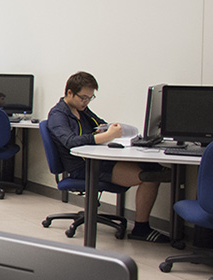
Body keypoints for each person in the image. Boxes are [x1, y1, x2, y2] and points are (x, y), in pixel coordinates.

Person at [46, 71, 171, 243]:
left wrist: (109, 129)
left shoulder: (81, 109)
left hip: (96, 160)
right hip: (82, 167)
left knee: (152, 166)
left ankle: (163, 178)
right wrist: (107, 136)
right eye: (83, 97)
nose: (86, 102)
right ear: (69, 93)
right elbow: (70, 141)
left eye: (90, 98)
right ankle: (141, 229)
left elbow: (100, 124)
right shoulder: (57, 115)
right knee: (149, 177)